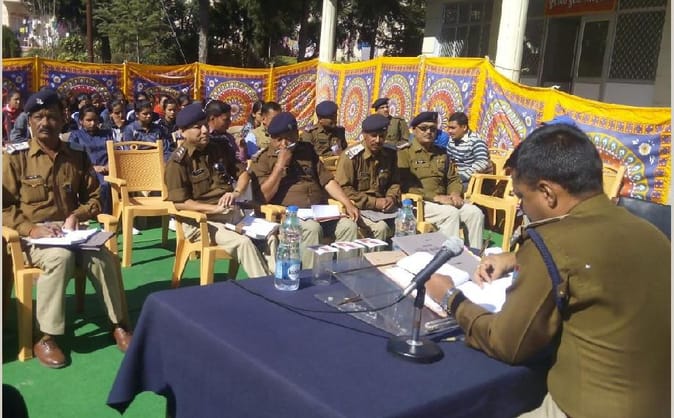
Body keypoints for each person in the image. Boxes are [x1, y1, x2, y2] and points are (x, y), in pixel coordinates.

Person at [426, 123, 670, 418]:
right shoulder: (653, 234)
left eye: (521, 197)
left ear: (547, 193)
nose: (521, 206)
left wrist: (451, 297)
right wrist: (515, 258)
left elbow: (508, 343)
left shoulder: (552, 241)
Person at [2, 89, 132, 368]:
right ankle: (45, 335)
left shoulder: (77, 155)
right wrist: (31, 229)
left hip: (72, 232)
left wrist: (77, 214)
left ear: (62, 119)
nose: (44, 123)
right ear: (29, 120)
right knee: (59, 258)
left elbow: (95, 197)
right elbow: (4, 207)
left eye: (51, 116)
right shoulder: (15, 157)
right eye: (38, 117)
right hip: (32, 239)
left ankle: (118, 324)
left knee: (102, 256)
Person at [164, 103, 273, 278]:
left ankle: (279, 282)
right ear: (183, 132)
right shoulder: (178, 162)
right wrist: (213, 209)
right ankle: (265, 287)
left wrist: (236, 193)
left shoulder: (219, 147)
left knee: (270, 236)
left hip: (231, 214)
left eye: (205, 125)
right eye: (197, 127)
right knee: (243, 243)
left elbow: (243, 174)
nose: (204, 130)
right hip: (201, 221)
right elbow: (179, 203)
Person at [249, 112, 359, 268]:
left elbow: (327, 181)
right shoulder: (263, 159)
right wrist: (280, 166)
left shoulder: (307, 151)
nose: (283, 144)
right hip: (288, 217)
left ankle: (345, 274)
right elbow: (263, 197)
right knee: (312, 229)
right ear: (271, 138)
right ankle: (309, 276)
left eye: (288, 138)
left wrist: (347, 203)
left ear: (296, 135)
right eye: (278, 139)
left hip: (318, 212)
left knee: (348, 226)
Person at [398, 111, 484, 248]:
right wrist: (435, 197)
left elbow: (453, 178)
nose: (428, 132)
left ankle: (474, 254)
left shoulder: (441, 152)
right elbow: (405, 184)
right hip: (420, 202)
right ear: (414, 130)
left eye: (433, 129)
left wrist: (455, 193)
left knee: (475, 213)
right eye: (423, 128)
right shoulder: (404, 153)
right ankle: (447, 257)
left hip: (445, 200)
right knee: (450, 214)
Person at [334, 114, 400, 241]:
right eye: (373, 136)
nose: (378, 140)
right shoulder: (351, 156)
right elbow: (344, 188)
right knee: (381, 228)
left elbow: (395, 182)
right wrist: (374, 203)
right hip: (359, 207)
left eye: (382, 136)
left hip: (385, 208)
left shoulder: (390, 154)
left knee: (407, 222)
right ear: (364, 135)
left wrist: (391, 197)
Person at [69, 106, 114, 214]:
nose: (92, 123)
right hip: (87, 170)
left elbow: (114, 151)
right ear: (81, 121)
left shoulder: (107, 134)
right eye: (88, 120)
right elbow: (72, 156)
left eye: (95, 120)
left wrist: (109, 165)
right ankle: (102, 215)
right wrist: (92, 167)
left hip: (108, 169)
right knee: (103, 184)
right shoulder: (76, 135)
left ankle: (111, 214)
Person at [444, 111, 490, 190]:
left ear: (464, 127)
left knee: (451, 189)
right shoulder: (452, 141)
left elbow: (482, 163)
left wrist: (461, 177)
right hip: (459, 179)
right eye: (449, 128)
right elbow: (448, 159)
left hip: (478, 181)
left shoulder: (476, 141)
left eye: (453, 128)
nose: (449, 131)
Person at [204, 99, 248, 163]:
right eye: (225, 119)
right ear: (212, 118)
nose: (229, 122)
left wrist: (242, 149)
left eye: (229, 119)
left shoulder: (229, 138)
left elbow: (239, 162)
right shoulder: (204, 139)